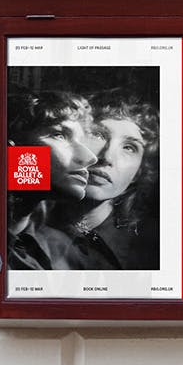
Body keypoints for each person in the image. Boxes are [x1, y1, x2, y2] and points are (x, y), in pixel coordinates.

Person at [54, 88, 161, 270]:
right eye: (97, 135)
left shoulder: (152, 249)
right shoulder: (23, 228)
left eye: (129, 147)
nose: (107, 157)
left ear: (139, 172)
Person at [5, 90, 98, 270]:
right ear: (10, 147)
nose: (90, 157)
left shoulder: (65, 251)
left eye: (82, 141)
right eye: (59, 135)